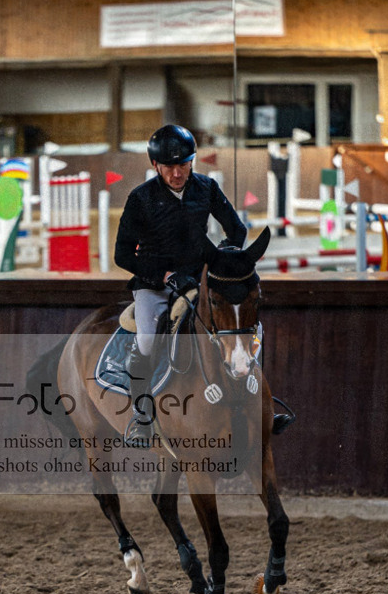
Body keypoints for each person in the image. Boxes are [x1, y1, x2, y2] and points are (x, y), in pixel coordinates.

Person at [114, 124, 293, 445]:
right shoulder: (140, 199)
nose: (177, 172)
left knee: (243, 328)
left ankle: (260, 403)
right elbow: (121, 254)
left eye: (183, 164)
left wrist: (220, 258)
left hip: (198, 278)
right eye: (169, 166)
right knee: (147, 340)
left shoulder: (206, 188)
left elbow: (236, 230)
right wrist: (165, 276)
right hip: (154, 283)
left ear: (192, 162)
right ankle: (141, 416)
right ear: (155, 165)